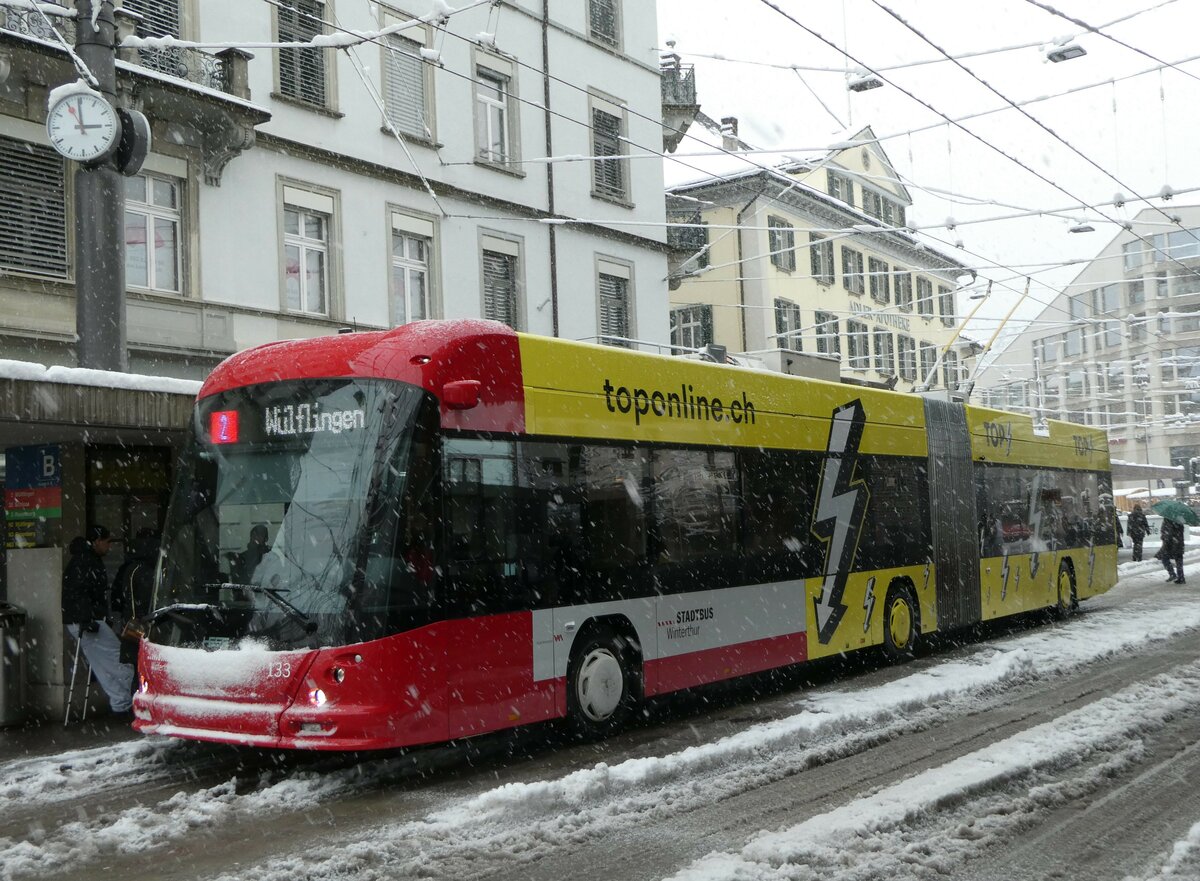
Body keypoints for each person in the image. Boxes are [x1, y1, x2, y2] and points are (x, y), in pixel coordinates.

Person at [61, 525, 134, 716]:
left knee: (104, 665)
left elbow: (77, 592)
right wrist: (88, 618)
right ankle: (126, 701)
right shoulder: (87, 561)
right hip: (88, 620)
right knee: (119, 661)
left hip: (81, 620)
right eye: (108, 542)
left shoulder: (82, 559)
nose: (109, 547)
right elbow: (80, 592)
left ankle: (121, 703)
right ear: (97, 541)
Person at [112, 528, 157, 669]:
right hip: (140, 625)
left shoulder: (132, 567)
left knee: (138, 668)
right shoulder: (143, 570)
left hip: (134, 623)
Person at [1159, 517, 1186, 584]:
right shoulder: (1180, 521)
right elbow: (1180, 532)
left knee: (1164, 558)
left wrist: (1164, 538)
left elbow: (1168, 534)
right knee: (1179, 561)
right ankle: (1181, 577)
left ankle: (1172, 574)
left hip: (1170, 545)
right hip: (1179, 543)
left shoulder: (1168, 520)